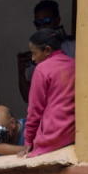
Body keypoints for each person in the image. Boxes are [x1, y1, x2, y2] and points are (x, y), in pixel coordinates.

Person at [24, 29, 75, 157]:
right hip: (73, 132)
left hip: (52, 137)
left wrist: (28, 141)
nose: (33, 59)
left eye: (34, 53)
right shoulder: (73, 64)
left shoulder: (42, 69)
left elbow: (34, 110)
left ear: (47, 50)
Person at [17, 0, 75, 103]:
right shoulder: (35, 56)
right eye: (38, 23)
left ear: (57, 20)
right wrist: (21, 72)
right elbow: (28, 98)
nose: (42, 27)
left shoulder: (72, 47)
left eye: (47, 21)